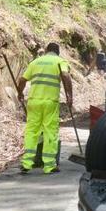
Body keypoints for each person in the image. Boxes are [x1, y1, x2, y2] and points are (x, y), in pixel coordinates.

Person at [15, 42, 73, 174]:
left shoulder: (36, 62)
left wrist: (20, 93)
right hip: (50, 103)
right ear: (58, 52)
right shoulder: (60, 61)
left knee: (31, 131)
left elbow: (22, 80)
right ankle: (49, 165)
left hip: (34, 102)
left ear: (46, 51)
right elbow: (65, 75)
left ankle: (27, 163)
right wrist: (70, 96)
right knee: (50, 131)